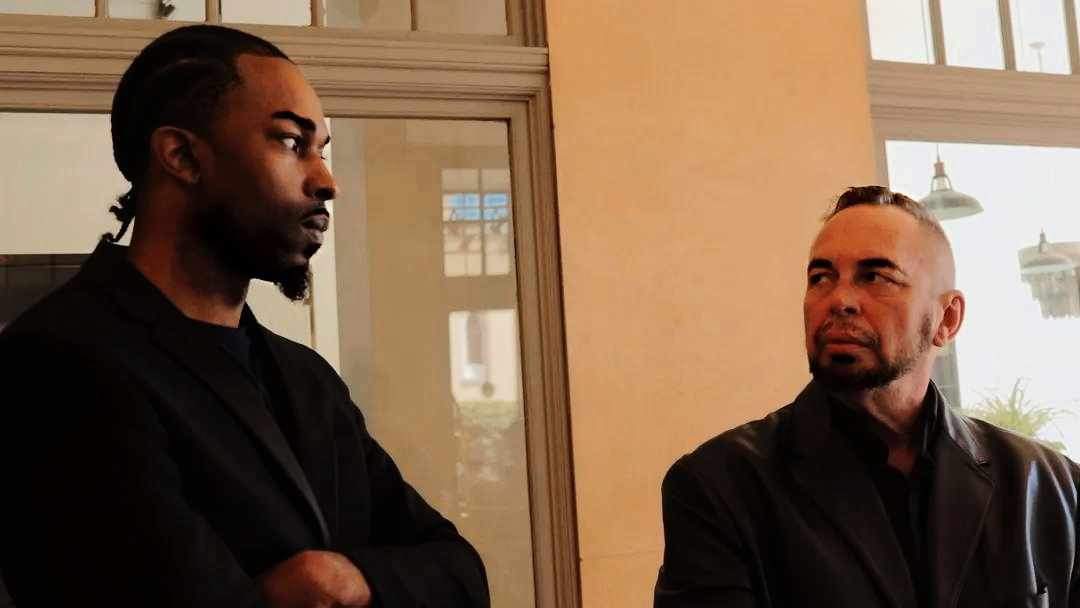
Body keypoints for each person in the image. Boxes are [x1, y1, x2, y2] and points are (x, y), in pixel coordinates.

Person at [0, 25, 488, 608]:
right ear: (181, 155)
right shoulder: (57, 362)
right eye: (290, 142)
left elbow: (461, 573)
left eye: (323, 150)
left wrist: (341, 581)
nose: (326, 181)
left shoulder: (305, 379)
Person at [654, 186, 1080, 608]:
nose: (839, 300)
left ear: (947, 320)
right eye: (820, 277)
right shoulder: (720, 485)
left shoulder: (1051, 486)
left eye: (874, 276)